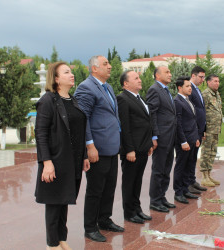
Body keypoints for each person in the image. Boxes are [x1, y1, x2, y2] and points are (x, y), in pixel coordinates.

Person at [34, 61, 90, 250]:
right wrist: (46, 163)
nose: (71, 75)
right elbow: (40, 133)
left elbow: (78, 131)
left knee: (64, 200)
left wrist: (83, 156)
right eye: (66, 72)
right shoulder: (48, 100)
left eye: (71, 72)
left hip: (72, 161)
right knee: (54, 203)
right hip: (56, 160)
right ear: (56, 78)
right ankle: (52, 244)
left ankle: (61, 239)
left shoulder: (72, 100)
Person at [74, 55, 123, 243]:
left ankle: (104, 219)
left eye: (109, 64)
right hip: (98, 148)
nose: (110, 67)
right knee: (95, 190)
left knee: (109, 187)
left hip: (111, 147)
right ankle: (90, 227)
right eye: (105, 64)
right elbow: (82, 118)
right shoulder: (86, 88)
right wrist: (90, 145)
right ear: (94, 69)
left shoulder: (108, 87)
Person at [117, 70, 154, 224]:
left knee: (137, 181)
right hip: (132, 150)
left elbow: (145, 122)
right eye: (136, 78)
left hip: (143, 147)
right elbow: (125, 126)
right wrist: (129, 149)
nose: (140, 80)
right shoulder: (123, 99)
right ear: (126, 84)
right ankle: (129, 212)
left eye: (139, 78)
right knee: (129, 182)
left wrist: (149, 144)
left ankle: (137, 209)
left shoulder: (140, 98)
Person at [146, 66, 177, 213]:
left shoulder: (165, 90)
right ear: (157, 75)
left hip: (170, 136)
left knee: (166, 168)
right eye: (167, 72)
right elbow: (152, 114)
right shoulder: (154, 90)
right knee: (158, 170)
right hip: (161, 136)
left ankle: (162, 197)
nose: (170, 74)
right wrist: (154, 136)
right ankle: (155, 200)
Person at [173, 76, 200, 204]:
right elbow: (178, 123)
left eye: (190, 86)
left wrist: (196, 138)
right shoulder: (177, 101)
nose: (190, 88)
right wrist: (183, 141)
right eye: (187, 86)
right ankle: (178, 192)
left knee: (189, 165)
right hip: (183, 141)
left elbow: (192, 121)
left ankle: (185, 189)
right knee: (180, 166)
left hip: (192, 139)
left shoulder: (188, 100)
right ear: (180, 88)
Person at [200, 74, 223, 187]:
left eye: (218, 81)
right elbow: (201, 113)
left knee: (213, 152)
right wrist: (202, 129)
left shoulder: (216, 94)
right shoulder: (205, 94)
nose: (217, 83)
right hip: (208, 130)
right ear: (208, 82)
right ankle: (204, 177)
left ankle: (209, 175)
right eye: (215, 81)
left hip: (215, 129)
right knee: (206, 152)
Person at [187, 66, 207, 194]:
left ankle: (192, 180)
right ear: (193, 76)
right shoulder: (189, 89)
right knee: (189, 158)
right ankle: (187, 184)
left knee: (194, 157)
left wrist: (203, 129)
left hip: (199, 130)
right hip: (192, 131)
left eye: (204, 77)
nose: (202, 80)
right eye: (201, 77)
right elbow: (191, 112)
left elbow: (201, 111)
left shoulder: (197, 90)